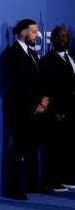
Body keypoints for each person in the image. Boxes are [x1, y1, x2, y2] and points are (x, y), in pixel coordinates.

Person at [0, 19, 52, 200]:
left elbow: (38, 81)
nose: (37, 35)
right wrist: (32, 107)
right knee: (18, 149)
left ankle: (32, 182)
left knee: (33, 147)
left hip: (37, 110)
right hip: (21, 112)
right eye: (34, 31)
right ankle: (15, 188)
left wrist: (44, 101)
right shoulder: (11, 55)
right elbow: (11, 88)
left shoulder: (32, 54)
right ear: (23, 32)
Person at [39, 26, 75, 191]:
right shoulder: (48, 60)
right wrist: (54, 111)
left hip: (71, 111)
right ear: (52, 40)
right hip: (56, 112)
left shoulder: (71, 58)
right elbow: (47, 89)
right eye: (59, 36)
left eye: (65, 36)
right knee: (52, 147)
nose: (63, 39)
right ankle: (51, 180)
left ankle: (65, 177)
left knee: (67, 146)